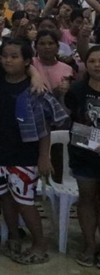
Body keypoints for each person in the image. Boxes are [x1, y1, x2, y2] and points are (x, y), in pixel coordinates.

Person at [0, 39, 55, 265]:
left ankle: (39, 244)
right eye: (5, 55)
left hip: (25, 155)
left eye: (15, 56)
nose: (8, 60)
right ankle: (14, 237)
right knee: (6, 199)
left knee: (25, 202)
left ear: (27, 61)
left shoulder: (33, 88)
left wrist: (43, 156)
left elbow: (44, 127)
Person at [67, 46, 100, 267]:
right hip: (85, 155)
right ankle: (89, 245)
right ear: (85, 65)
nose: (97, 65)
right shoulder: (77, 90)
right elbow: (74, 124)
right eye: (92, 61)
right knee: (86, 200)